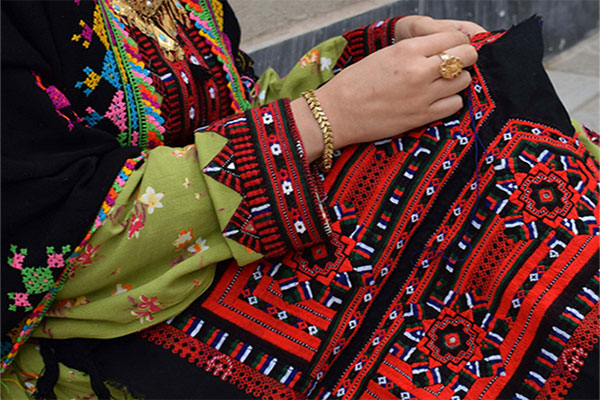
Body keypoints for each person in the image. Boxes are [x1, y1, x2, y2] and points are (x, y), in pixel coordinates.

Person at [2, 1, 598, 399]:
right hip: (105, 319)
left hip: (227, 241)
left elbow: (231, 109)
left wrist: (375, 59)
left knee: (513, 172)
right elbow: (35, 238)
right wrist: (320, 119)